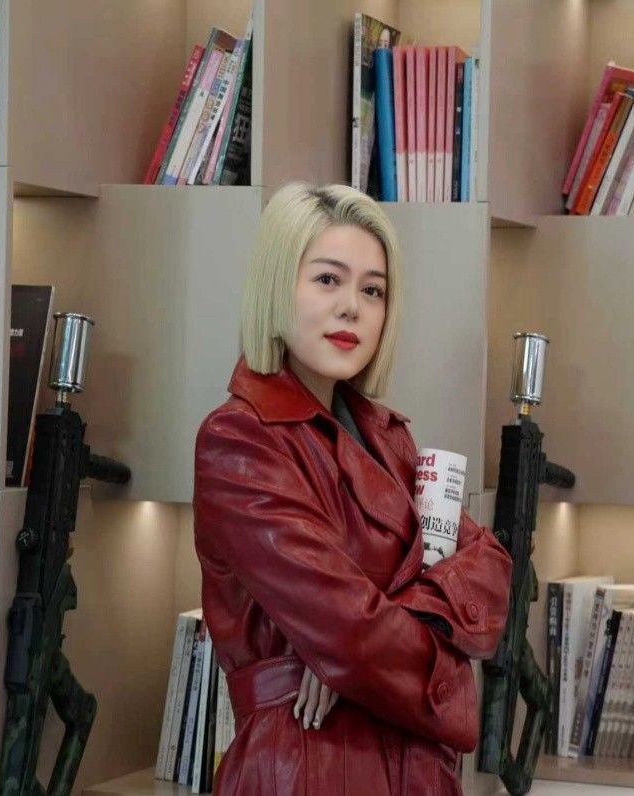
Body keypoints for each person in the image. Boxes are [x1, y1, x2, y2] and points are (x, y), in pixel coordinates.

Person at [193, 183, 512, 794]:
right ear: (276, 286)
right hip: (310, 762)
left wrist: (352, 654)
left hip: (413, 767)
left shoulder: (387, 437)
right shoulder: (239, 440)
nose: (352, 309)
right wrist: (352, 652)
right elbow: (348, 631)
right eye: (327, 280)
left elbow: (490, 565)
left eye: (372, 290)